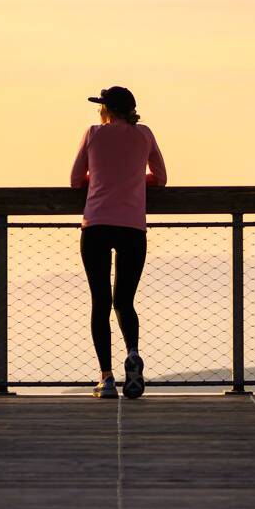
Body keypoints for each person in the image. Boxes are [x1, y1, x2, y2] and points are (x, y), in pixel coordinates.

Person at [69, 85, 168, 399]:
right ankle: (133, 352)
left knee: (100, 303)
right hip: (132, 228)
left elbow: (74, 180)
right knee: (124, 301)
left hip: (96, 225)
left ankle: (107, 378)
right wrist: (134, 180)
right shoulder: (145, 135)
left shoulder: (94, 134)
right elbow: (161, 178)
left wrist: (100, 180)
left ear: (106, 109)